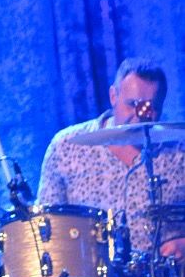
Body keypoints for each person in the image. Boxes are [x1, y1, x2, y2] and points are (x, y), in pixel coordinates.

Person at [38, 56, 185, 258]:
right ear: (113, 96)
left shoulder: (178, 151)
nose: (141, 115)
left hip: (167, 275)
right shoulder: (66, 147)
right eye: (133, 104)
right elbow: (46, 226)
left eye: (151, 107)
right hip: (92, 275)